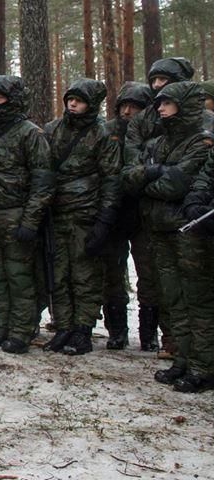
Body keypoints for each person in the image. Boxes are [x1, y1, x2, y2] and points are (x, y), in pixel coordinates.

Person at [122, 81, 213, 388]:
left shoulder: (201, 143)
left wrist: (150, 176)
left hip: (187, 232)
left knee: (197, 300)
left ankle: (204, 366)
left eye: (167, 103)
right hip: (158, 229)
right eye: (159, 103)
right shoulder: (157, 144)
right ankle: (184, 360)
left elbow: (178, 183)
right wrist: (154, 174)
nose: (159, 108)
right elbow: (128, 178)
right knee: (173, 298)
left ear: (184, 106)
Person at [0, 75, 54, 355]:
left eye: (1, 97)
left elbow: (42, 181)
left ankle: (22, 330)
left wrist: (30, 221)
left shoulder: (31, 133)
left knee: (19, 274)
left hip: (15, 213)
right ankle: (1, 326)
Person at [40, 78, 121, 355]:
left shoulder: (103, 135)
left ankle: (83, 330)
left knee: (85, 276)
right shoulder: (52, 130)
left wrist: (105, 219)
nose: (72, 104)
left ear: (92, 104)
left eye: (79, 100)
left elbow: (111, 178)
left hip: (86, 215)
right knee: (58, 275)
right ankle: (63, 327)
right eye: (69, 99)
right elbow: (42, 170)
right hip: (56, 214)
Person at [124, 57, 196, 357]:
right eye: (153, 80)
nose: (156, 85)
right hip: (149, 214)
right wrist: (153, 176)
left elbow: (189, 174)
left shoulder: (201, 122)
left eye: (164, 79)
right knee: (156, 279)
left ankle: (194, 348)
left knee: (194, 285)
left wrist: (155, 175)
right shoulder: (143, 120)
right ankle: (170, 340)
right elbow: (132, 167)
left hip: (192, 216)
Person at [100, 81, 158, 351]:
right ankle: (117, 331)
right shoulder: (106, 132)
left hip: (145, 212)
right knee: (112, 273)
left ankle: (149, 334)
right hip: (113, 212)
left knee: (149, 274)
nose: (127, 111)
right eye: (123, 105)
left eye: (134, 107)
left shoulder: (156, 132)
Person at [178, 123, 214, 393]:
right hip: (205, 232)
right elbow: (205, 175)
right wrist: (196, 199)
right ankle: (202, 367)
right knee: (200, 303)